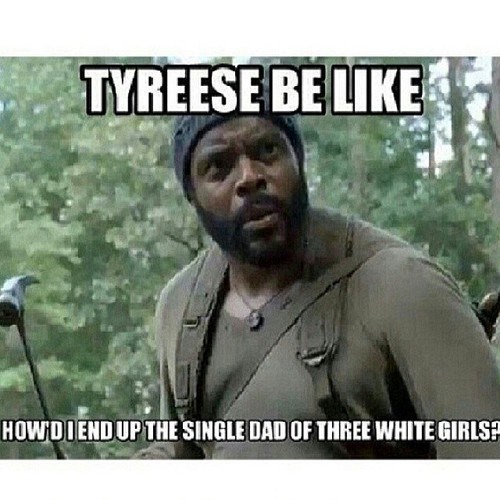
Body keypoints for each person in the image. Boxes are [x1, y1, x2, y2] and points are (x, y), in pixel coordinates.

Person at [135, 108, 500, 459]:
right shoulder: (183, 305)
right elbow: (183, 450)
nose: (249, 177)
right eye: (219, 167)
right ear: (192, 193)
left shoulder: (401, 286)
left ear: (298, 158)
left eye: (267, 150)